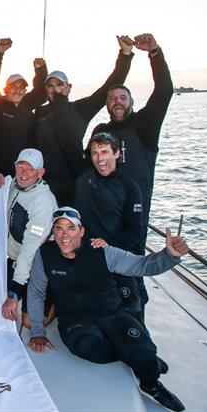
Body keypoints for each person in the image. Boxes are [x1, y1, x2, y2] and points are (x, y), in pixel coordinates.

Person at [27, 207, 187, 412]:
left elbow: (142, 266)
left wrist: (169, 256)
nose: (64, 235)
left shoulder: (101, 250)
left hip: (112, 313)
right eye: (58, 229)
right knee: (92, 350)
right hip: (75, 319)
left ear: (81, 231)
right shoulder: (45, 254)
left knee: (146, 359)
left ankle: (151, 384)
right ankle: (131, 352)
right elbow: (36, 292)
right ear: (53, 232)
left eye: (70, 228)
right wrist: (38, 332)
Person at [32, 35, 134, 205]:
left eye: (59, 84)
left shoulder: (80, 109)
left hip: (74, 184)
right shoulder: (40, 112)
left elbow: (108, 87)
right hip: (44, 185)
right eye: (50, 85)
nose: (54, 89)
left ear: (68, 88)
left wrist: (124, 55)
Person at [92, 33, 173, 231]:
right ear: (107, 104)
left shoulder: (145, 124)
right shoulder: (101, 130)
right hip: (103, 210)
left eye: (123, 97)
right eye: (112, 98)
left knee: (132, 258)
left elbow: (164, 90)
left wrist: (155, 53)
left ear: (131, 102)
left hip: (135, 212)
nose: (117, 101)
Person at [76, 131, 146, 319]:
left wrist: (108, 243)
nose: (100, 158)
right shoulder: (83, 181)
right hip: (91, 258)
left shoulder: (130, 187)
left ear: (116, 154)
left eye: (105, 152)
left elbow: (136, 230)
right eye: (95, 153)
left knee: (133, 315)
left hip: (120, 257)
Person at [0, 148, 57, 325]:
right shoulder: (12, 184)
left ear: (41, 173)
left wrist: (14, 294)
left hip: (37, 264)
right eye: (20, 167)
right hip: (13, 258)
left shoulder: (43, 202)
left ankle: (54, 296)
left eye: (30, 169)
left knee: (30, 322)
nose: (24, 173)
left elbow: (29, 251)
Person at [0, 38, 48, 176]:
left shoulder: (28, 104)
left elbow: (42, 93)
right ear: (5, 89)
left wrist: (41, 70)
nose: (17, 91)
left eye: (21, 88)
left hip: (22, 173)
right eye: (13, 87)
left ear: (25, 91)